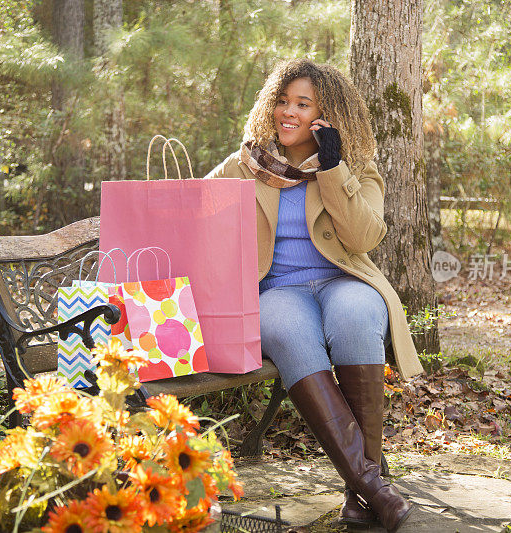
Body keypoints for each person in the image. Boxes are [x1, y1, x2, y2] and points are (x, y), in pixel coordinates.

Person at [205, 58, 424, 531]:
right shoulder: (245, 165)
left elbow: (364, 237)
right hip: (278, 289)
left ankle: (357, 490)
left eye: (302, 104)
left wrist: (332, 167)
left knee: (357, 316)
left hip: (342, 280)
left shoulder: (356, 170)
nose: (288, 112)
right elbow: (192, 209)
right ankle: (375, 488)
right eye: (282, 101)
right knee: (286, 330)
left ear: (327, 115)